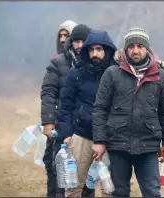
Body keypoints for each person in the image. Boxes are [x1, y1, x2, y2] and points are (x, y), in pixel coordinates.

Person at [92, 27, 164, 197]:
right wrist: (99, 140)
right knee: (119, 193)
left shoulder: (161, 75)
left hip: (148, 145)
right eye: (131, 46)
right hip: (118, 144)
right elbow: (100, 109)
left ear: (147, 48)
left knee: (152, 192)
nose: (135, 50)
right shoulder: (112, 73)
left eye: (139, 46)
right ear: (125, 48)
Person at [58, 29, 117, 197]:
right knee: (74, 186)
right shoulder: (76, 73)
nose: (94, 54)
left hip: (109, 138)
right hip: (81, 136)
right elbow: (66, 105)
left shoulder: (117, 73)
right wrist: (68, 134)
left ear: (107, 50)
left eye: (99, 49)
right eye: (91, 50)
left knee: (109, 189)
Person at [40, 23, 91, 197]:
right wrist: (48, 120)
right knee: (59, 172)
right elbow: (48, 92)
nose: (63, 40)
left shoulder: (95, 63)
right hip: (63, 124)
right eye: (61, 36)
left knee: (86, 178)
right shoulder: (57, 63)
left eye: (66, 36)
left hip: (86, 127)